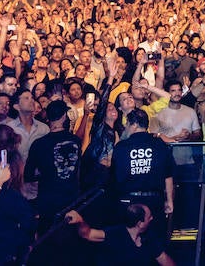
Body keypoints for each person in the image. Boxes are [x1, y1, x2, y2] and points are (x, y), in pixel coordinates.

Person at [111, 109, 175, 247]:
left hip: (128, 202)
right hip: (154, 201)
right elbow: (168, 176)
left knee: (127, 245)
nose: (126, 128)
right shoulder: (159, 145)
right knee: (155, 245)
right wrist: (169, 201)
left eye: (127, 124)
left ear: (133, 125)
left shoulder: (121, 147)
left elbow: (115, 176)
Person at [23, 99, 81, 230]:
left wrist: (45, 174)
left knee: (47, 240)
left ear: (47, 118)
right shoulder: (75, 140)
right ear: (64, 117)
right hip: (72, 199)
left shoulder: (39, 144)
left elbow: (28, 175)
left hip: (47, 200)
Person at [65, 202, 174, 266]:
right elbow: (87, 234)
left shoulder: (149, 238)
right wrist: (80, 221)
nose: (152, 218)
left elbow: (164, 259)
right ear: (140, 223)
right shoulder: (116, 233)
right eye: (149, 217)